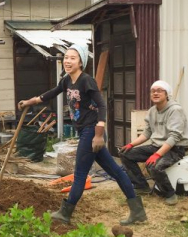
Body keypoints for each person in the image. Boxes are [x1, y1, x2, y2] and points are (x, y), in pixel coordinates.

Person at [18, 44, 147, 226]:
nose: (67, 61)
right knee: (116, 171)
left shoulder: (86, 81)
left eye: (72, 58)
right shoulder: (66, 81)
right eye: (66, 57)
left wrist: (99, 134)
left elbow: (101, 105)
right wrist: (29, 102)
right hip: (86, 131)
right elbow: (49, 95)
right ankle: (138, 211)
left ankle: (65, 212)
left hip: (92, 131)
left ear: (81, 62)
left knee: (79, 174)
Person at [119, 80, 188, 205]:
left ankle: (170, 194)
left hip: (175, 148)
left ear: (167, 94)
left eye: (159, 91)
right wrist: (131, 145)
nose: (155, 93)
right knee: (125, 154)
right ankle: (141, 186)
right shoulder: (152, 111)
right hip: (156, 146)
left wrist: (157, 155)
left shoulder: (175, 110)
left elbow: (174, 137)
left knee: (153, 166)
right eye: (153, 91)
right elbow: (147, 132)